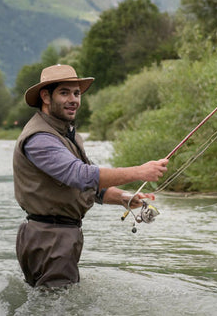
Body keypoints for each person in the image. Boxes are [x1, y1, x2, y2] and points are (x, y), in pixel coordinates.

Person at [12, 63, 168, 288]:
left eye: (76, 93)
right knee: (57, 306)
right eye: (64, 93)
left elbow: (92, 186)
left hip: (56, 237)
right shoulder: (40, 139)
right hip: (50, 239)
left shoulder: (65, 135)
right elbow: (80, 176)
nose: (74, 99)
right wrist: (140, 172)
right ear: (45, 97)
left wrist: (124, 198)